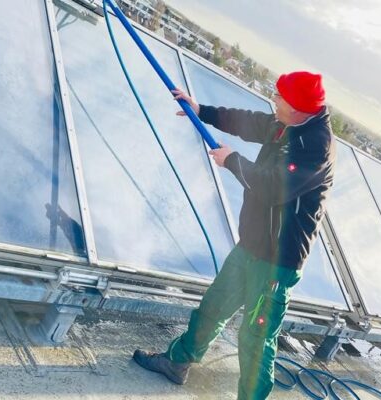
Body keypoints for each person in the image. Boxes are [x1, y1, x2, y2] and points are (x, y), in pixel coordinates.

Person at [133, 71, 336, 399]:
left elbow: (274, 187)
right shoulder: (287, 122)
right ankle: (177, 362)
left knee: (255, 340)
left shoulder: (315, 146)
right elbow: (251, 122)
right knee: (212, 307)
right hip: (252, 244)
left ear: (299, 108)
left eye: (281, 97)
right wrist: (203, 112)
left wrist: (232, 161)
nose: (275, 99)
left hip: (276, 261)